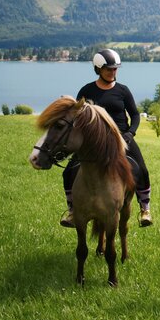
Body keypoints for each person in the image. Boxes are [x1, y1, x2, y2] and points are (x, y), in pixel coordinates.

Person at [59, 48, 153, 228]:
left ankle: (145, 209)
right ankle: (72, 211)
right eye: (109, 69)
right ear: (98, 69)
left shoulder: (123, 90)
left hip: (122, 138)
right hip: (93, 142)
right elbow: (78, 117)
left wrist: (130, 133)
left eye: (115, 69)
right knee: (68, 171)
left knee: (142, 169)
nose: (113, 72)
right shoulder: (86, 90)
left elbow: (135, 115)